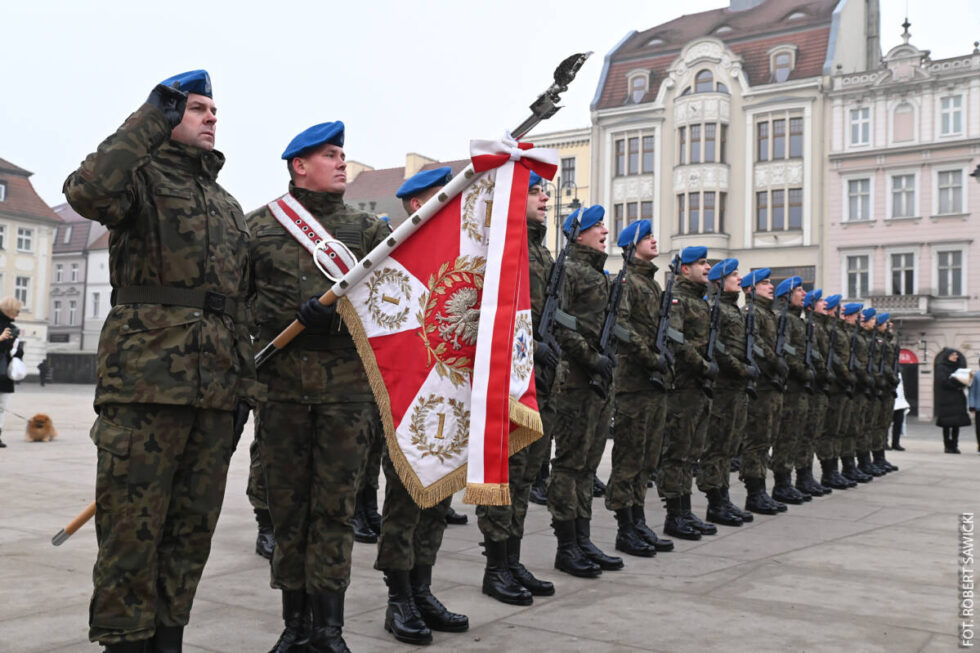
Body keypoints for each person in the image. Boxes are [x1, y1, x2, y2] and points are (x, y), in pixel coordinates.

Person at [63, 69, 258, 652]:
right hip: (144, 389)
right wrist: (150, 117)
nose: (210, 117)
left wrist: (243, 390)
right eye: (196, 108)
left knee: (189, 535)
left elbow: (238, 306)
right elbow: (86, 192)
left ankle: (168, 640)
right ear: (169, 117)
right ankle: (125, 645)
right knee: (130, 536)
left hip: (214, 397)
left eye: (212, 109)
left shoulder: (227, 205)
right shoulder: (138, 183)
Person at [248, 121, 389, 653]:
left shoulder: (366, 230)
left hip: (346, 392)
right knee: (288, 510)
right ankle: (295, 624)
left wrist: (343, 312)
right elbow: (239, 301)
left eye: (343, 155)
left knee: (334, 510)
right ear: (298, 166)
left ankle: (329, 629)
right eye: (330, 155)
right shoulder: (260, 227)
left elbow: (393, 298)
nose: (341, 163)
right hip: (282, 391)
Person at [372, 167, 469, 643]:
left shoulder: (457, 252)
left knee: (437, 498)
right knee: (405, 500)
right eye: (440, 196)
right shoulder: (396, 255)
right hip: (407, 395)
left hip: (448, 390)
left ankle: (423, 588)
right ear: (415, 205)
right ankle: (399, 597)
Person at [477, 171, 559, 603]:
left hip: (538, 383)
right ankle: (495, 567)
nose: (544, 197)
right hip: (508, 383)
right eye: (534, 191)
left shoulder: (540, 252)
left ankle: (512, 559)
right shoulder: (506, 249)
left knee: (526, 478)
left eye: (544, 191)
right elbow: (496, 312)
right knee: (505, 477)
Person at [549, 205, 622, 576]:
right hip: (576, 381)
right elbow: (559, 325)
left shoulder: (601, 276)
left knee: (588, 466)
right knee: (570, 464)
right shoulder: (569, 271)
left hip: (599, 381)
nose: (605, 231)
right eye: (597, 227)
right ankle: (567, 545)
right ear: (578, 235)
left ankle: (583, 538)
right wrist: (591, 358)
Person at [604, 219, 674, 556]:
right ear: (632, 246)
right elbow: (620, 326)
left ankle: (638, 520)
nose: (654, 240)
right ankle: (624, 527)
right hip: (634, 382)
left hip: (654, 382)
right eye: (647, 237)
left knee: (647, 458)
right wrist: (649, 357)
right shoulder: (627, 282)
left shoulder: (653, 284)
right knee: (629, 458)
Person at [660, 246, 718, 540]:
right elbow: (677, 341)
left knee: (690, 454)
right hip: (682, 387)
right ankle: (674, 515)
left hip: (698, 388)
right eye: (701, 263)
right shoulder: (678, 299)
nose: (708, 267)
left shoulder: (701, 301)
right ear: (685, 269)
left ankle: (684, 510)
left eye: (708, 262)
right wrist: (705, 366)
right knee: (677, 454)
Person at [697, 258, 756, 527]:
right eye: (734, 275)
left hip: (737, 389)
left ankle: (723, 498)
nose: (739, 279)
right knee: (717, 447)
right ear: (719, 281)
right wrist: (740, 368)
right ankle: (715, 502)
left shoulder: (736, 311)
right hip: (722, 387)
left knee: (730, 446)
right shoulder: (716, 309)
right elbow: (717, 346)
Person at [740, 269, 788, 514]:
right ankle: (754, 493)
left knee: (767, 439)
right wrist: (774, 361)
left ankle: (762, 491)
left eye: (771, 282)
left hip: (772, 385)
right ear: (750, 289)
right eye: (765, 283)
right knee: (756, 441)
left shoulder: (770, 314)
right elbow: (754, 343)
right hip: (760, 385)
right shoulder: (751, 312)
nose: (771, 286)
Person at [770, 276, 811, 505]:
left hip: (800, 388)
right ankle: (781, 484)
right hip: (790, 388)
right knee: (786, 436)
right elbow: (785, 351)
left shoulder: (799, 321)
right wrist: (802, 371)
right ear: (786, 295)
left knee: (797, 435)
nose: (804, 293)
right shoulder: (783, 319)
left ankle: (793, 481)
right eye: (799, 290)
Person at [935, 347, 970, 454]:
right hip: (946, 399)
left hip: (958, 398)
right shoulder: (941, 367)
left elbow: (964, 380)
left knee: (956, 423)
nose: (956, 356)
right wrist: (955, 384)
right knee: (946, 424)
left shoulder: (959, 367)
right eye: (953, 355)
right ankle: (947, 446)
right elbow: (942, 381)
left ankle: (955, 445)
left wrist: (963, 382)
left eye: (956, 355)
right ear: (948, 356)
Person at [0, 297, 24, 448]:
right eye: (16, 312)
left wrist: (17, 349)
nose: (17, 315)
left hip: (5, 374)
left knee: (2, 406)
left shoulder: (12, 328)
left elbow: (16, 353)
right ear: (9, 310)